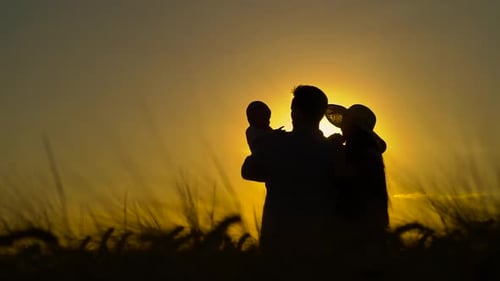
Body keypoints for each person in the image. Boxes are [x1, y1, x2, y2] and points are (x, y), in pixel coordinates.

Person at [241, 85, 343, 255]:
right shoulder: (334, 150)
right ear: (321, 115)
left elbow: (248, 170)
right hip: (320, 249)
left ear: (295, 113)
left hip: (278, 246)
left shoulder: (275, 144)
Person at [325, 104, 389, 244]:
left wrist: (334, 149)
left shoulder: (358, 143)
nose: (342, 126)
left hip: (358, 219)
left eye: (346, 121)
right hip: (372, 218)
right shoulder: (367, 143)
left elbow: (345, 176)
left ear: (354, 123)